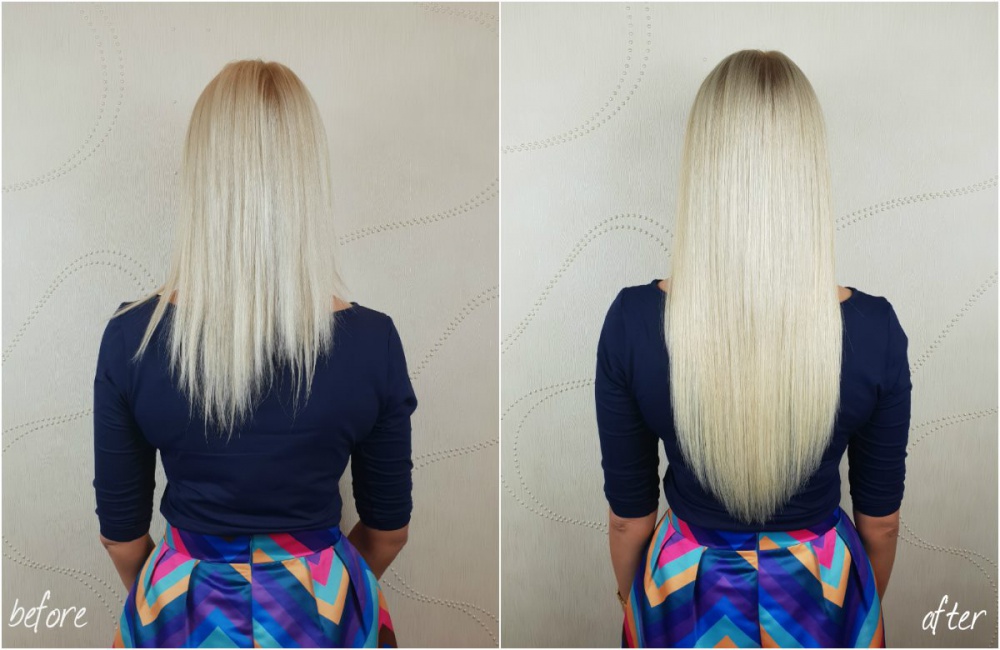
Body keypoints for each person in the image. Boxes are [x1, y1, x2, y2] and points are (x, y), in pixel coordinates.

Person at [92, 59, 416, 648]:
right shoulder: (374, 342)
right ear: (307, 179)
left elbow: (122, 538)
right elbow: (388, 533)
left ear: (202, 177)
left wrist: (172, 598)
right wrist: (311, 579)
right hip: (325, 615)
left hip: (182, 611)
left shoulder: (131, 339)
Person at [595, 50, 910, 648]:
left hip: (683, 589)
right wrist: (856, 605)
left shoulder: (632, 323)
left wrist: (632, 602)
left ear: (703, 165)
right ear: (809, 169)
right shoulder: (875, 330)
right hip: (823, 589)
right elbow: (882, 524)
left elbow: (628, 520)